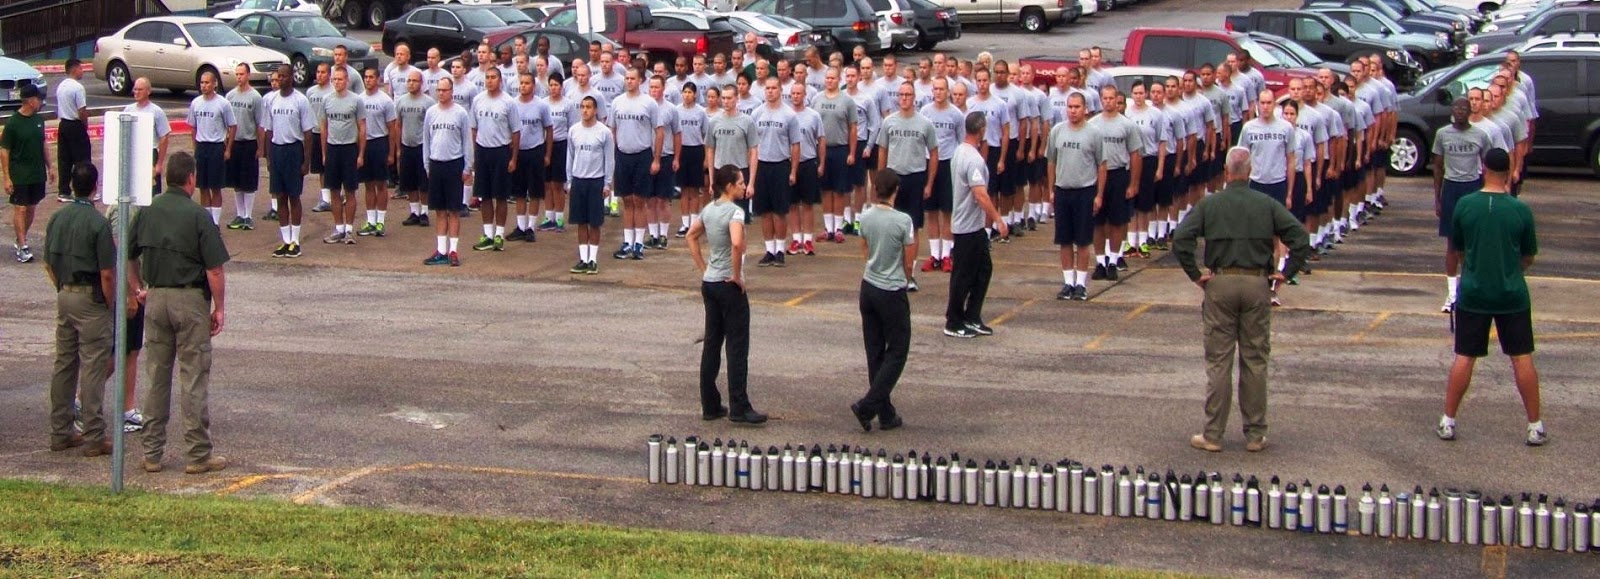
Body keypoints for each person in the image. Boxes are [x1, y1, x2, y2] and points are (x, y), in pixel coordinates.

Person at [1173, 146, 1311, 453]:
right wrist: (1286, 273)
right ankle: (1255, 433)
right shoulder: (1266, 204)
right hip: (1256, 283)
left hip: (1220, 282)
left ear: (1226, 172)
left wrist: (1196, 274)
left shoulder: (1211, 204)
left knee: (1219, 361)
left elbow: (1182, 238)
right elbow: (1300, 238)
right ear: (1250, 173)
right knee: (1255, 359)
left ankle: (1213, 434)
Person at [128, 152, 230, 474]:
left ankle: (152, 453)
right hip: (189, 300)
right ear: (191, 179)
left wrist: (138, 287)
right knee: (193, 377)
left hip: (155, 298)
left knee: (157, 377)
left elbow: (128, 254)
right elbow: (214, 269)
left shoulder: (147, 211)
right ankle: (198, 454)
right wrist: (220, 308)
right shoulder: (198, 215)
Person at [1437, 148, 1544, 446]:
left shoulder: (1465, 206)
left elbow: (1457, 251)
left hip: (1474, 291)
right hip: (1512, 293)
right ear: (1509, 172)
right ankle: (1535, 425)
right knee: (1521, 357)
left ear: (1483, 169)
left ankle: (1448, 420)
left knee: (1465, 356)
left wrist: (1472, 268)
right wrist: (1511, 271)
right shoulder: (1520, 210)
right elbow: (1528, 255)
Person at [44, 162, 121, 456]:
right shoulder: (97, 223)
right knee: (93, 366)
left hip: (65, 292)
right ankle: (93, 436)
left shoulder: (58, 218)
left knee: (64, 364)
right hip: (91, 297)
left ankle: (60, 430)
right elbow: (107, 273)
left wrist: (62, 287)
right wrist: (108, 301)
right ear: (94, 187)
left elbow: (49, 263)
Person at [688, 165, 766, 425]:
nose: (744, 186)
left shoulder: (709, 210)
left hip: (710, 283)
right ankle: (739, 406)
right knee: (737, 345)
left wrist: (704, 268)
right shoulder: (735, 212)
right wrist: (736, 275)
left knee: (712, 342)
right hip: (727, 285)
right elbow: (736, 243)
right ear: (729, 186)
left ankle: (709, 403)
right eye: (741, 182)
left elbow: (691, 236)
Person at [850, 169, 914, 431]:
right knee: (898, 350)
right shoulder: (903, 221)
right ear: (895, 191)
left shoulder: (864, 216)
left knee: (875, 352)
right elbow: (909, 260)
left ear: (876, 190)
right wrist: (904, 278)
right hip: (892, 289)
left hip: (869, 285)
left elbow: (863, 246)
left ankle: (885, 412)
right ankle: (869, 405)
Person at [945, 112, 1007, 338]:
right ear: (982, 130)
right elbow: (980, 194)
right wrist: (998, 219)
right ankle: (953, 320)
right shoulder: (972, 158)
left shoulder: (961, 152)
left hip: (974, 227)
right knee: (963, 275)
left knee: (983, 270)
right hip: (967, 227)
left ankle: (972, 316)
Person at [1432, 97, 1494, 314]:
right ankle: (1452, 294)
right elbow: (1438, 167)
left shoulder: (1480, 135)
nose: (1459, 111)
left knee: (1473, 243)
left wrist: (1487, 195)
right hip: (1451, 187)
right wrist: (1438, 198)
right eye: (1456, 108)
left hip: (1472, 187)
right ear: (1452, 111)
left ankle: (1471, 290)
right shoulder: (1442, 134)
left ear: (1470, 111)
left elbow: (1488, 167)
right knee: (1452, 243)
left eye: (1463, 108)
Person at [1047, 93, 1105, 301]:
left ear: (1085, 108)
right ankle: (1068, 283)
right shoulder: (1057, 131)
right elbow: (1051, 161)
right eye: (1070, 107)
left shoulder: (1094, 133)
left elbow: (1102, 164)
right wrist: (1051, 190)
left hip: (1085, 191)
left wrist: (1099, 195)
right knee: (1064, 240)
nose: (1072, 110)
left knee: (1082, 240)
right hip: (1063, 191)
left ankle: (1080, 284)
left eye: (1077, 107)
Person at [263, 65, 316, 258]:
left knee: (294, 196)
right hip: (277, 150)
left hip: (294, 149)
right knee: (280, 196)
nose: (282, 79)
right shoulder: (271, 100)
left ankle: (296, 240)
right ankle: (285, 241)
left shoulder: (300, 101)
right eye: (280, 77)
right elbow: (268, 130)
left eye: (285, 76)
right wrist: (268, 156)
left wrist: (306, 160)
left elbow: (308, 133)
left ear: (292, 78)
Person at [421, 78, 474, 267]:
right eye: (438, 90)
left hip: (454, 164)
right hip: (436, 164)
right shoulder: (431, 113)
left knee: (454, 210)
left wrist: (467, 167)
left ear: (451, 91)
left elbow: (467, 141)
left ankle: (453, 251)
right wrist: (427, 165)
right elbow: (426, 140)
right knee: (440, 210)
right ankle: (441, 250)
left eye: (444, 90)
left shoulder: (460, 113)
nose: (441, 93)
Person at [470, 66, 522, 252]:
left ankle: (499, 235)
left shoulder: (508, 102)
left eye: (493, 77)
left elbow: (516, 131)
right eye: (487, 77)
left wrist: (513, 158)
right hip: (483, 151)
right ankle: (488, 234)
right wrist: (475, 153)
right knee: (484, 196)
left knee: (500, 196)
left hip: (501, 152)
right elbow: (474, 128)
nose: (490, 80)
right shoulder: (477, 100)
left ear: (500, 80)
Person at [751, 77, 801, 267]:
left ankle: (780, 250)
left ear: (780, 90)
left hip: (781, 165)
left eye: (774, 88)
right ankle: (769, 250)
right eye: (767, 88)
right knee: (764, 211)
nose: (770, 91)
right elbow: (753, 145)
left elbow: (795, 145)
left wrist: (793, 171)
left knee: (780, 211)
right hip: (762, 165)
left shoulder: (789, 115)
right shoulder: (756, 114)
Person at [2, 84, 54, 263]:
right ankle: (23, 245)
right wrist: (7, 177)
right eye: (38, 99)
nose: (41, 102)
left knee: (31, 208)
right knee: (20, 208)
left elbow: (43, 144)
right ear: (31, 101)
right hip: (19, 174)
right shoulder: (13, 124)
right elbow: (4, 151)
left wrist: (51, 166)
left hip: (37, 173)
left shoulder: (39, 120)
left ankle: (20, 237)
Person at [565, 96, 615, 274]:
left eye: (588, 107)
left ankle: (593, 259)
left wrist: (607, 183)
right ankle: (583, 259)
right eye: (582, 107)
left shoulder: (604, 132)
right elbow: (570, 156)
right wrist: (569, 180)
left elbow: (609, 159)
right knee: (580, 222)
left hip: (596, 181)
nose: (585, 110)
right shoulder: (573, 131)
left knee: (594, 222)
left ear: (595, 110)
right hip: (578, 180)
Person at [919, 78, 963, 272]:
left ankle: (946, 255)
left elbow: (962, 143)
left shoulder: (956, 114)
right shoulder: (925, 112)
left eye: (942, 89)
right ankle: (934, 255)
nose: (938, 92)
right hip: (928, 163)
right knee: (931, 212)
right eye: (935, 89)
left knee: (947, 212)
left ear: (948, 91)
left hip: (948, 164)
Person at [320, 68, 366, 245]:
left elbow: (362, 128)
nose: (337, 82)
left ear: (347, 80)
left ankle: (349, 230)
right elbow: (323, 127)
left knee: (350, 190)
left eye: (340, 79)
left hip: (349, 149)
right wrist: (324, 153)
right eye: (334, 79)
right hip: (333, 149)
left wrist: (360, 154)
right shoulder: (326, 100)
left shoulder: (356, 100)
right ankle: (338, 228)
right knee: (333, 190)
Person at [188, 71, 237, 226]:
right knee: (202, 186)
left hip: (216, 146)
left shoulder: (223, 103)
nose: (204, 86)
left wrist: (228, 148)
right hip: (202, 146)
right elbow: (193, 126)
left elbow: (232, 126)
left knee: (215, 187)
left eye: (207, 83)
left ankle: (215, 222)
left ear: (214, 84)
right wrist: (195, 145)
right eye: (202, 83)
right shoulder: (196, 103)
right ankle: (206, 221)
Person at [508, 71, 552, 243]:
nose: (523, 86)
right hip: (518, 152)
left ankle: (531, 227)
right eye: (522, 83)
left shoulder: (541, 105)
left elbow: (549, 129)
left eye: (527, 83)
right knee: (519, 192)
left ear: (533, 86)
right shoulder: (512, 105)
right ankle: (520, 226)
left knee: (534, 192)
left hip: (535, 150)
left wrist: (547, 154)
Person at [224, 64, 266, 229]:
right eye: (237, 74)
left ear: (248, 75)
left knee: (248, 181)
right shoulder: (230, 96)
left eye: (242, 74)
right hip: (234, 142)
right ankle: (240, 214)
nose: (239, 77)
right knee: (236, 182)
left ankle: (248, 215)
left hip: (249, 142)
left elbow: (260, 124)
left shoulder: (255, 97)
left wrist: (260, 146)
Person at [396, 70, 435, 228]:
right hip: (407, 146)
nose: (411, 83)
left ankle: (424, 212)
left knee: (423, 182)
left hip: (422, 147)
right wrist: (398, 148)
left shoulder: (429, 102)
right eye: (409, 80)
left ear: (421, 83)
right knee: (409, 181)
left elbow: (432, 127)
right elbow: (398, 125)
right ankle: (414, 212)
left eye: (414, 81)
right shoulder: (400, 102)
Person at [54, 59, 91, 204]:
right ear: (75, 69)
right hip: (75, 125)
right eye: (81, 68)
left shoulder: (61, 86)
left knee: (64, 159)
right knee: (83, 159)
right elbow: (82, 110)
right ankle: (84, 189)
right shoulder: (78, 88)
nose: (82, 71)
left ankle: (63, 191)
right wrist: (85, 125)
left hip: (63, 124)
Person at [306, 63, 335, 214]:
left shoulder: (333, 91)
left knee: (333, 166)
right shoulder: (311, 92)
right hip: (316, 133)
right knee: (320, 167)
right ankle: (325, 199)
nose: (320, 75)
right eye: (318, 72)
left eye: (323, 72)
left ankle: (337, 193)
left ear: (329, 75)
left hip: (333, 135)